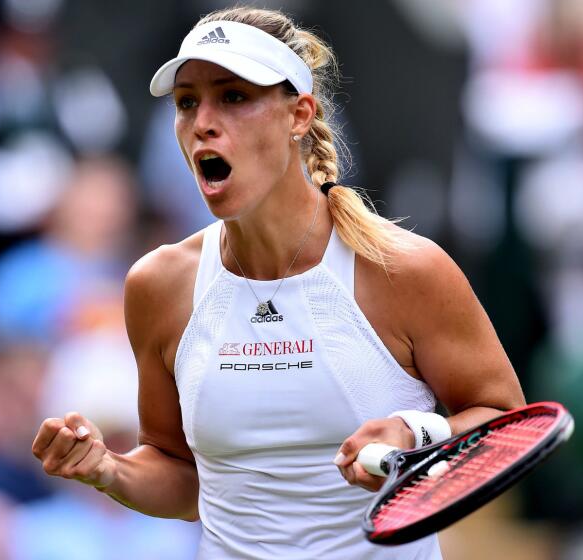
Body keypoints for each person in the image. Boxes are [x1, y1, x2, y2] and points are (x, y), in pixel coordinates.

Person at [32, 7, 525, 559]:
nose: (203, 123)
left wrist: (414, 438)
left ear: (299, 115)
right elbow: (182, 475)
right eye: (187, 102)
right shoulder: (159, 285)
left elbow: (507, 425)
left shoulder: (403, 270)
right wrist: (108, 468)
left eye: (233, 97)